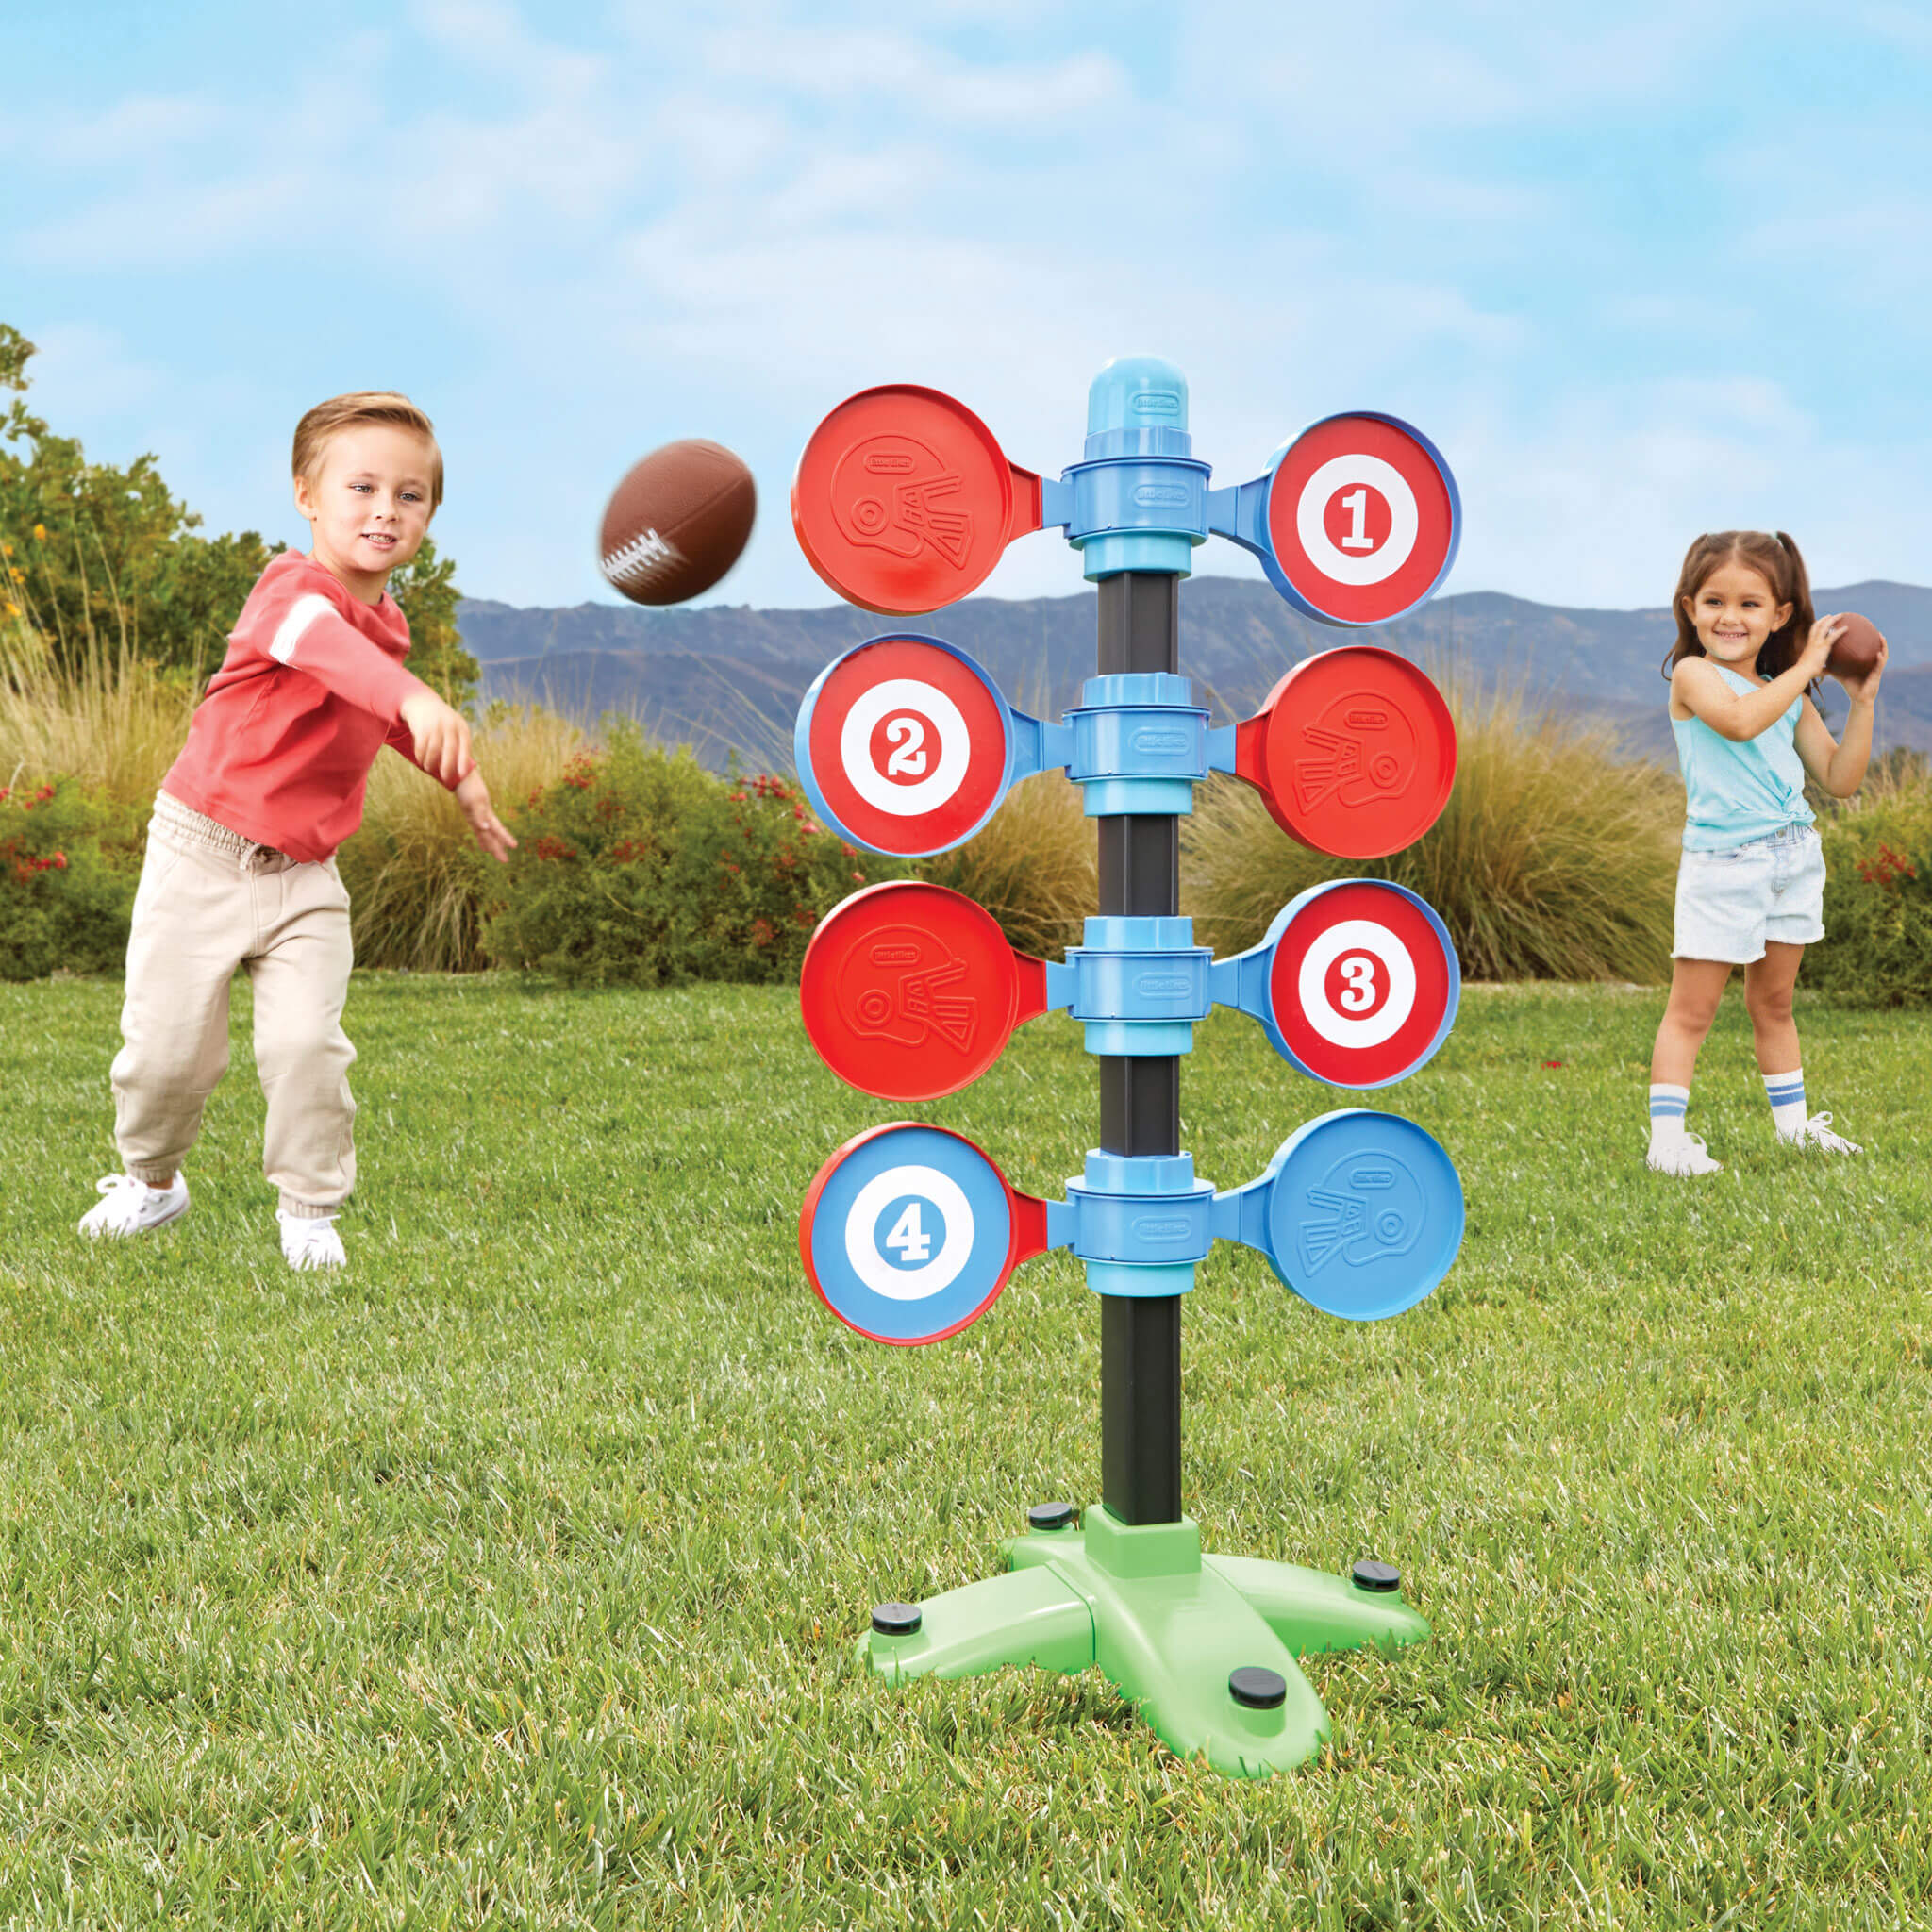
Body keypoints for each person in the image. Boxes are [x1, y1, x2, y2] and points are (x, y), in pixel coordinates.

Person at [77, 391, 517, 1266]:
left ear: (430, 513)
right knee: (167, 1056)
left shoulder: (386, 630)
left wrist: (464, 782)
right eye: (361, 488)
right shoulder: (289, 594)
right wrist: (412, 693)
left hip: (304, 878)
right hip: (198, 853)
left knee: (307, 1045)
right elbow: (329, 652)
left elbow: (381, 710)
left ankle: (309, 1214)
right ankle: (152, 1182)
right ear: (307, 496)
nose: (385, 510)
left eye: (410, 495)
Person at [1646, 529, 1886, 1176]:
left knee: (1774, 1005)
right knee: (1691, 1010)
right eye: (1714, 601)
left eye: (1751, 604)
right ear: (1689, 607)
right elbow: (1740, 721)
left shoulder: (1785, 690)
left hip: (1793, 860)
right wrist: (1810, 668)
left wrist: (1860, 702)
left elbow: (1840, 780)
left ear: (1779, 615)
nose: (1730, 617)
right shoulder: (1697, 677)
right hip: (1724, 865)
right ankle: (1666, 1143)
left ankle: (1796, 1130)